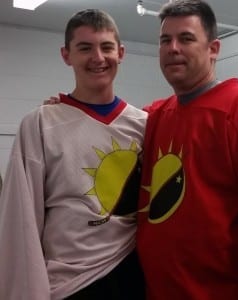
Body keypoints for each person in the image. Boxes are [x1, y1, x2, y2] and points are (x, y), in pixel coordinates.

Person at [136, 0, 238, 299]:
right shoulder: (154, 116)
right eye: (165, 40)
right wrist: (65, 109)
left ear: (213, 49)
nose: (173, 48)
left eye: (186, 38)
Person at [0, 9, 146, 300]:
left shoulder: (145, 124)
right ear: (66, 55)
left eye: (106, 47)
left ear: (121, 52)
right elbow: (21, 219)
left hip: (132, 271)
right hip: (69, 284)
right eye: (85, 48)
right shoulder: (41, 123)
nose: (98, 57)